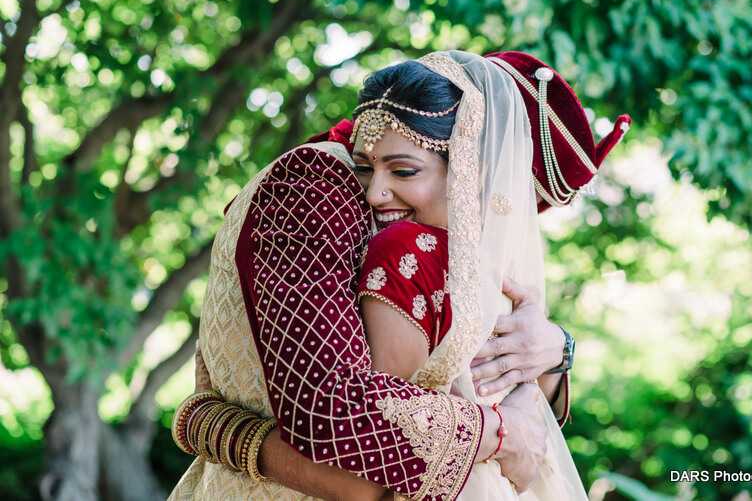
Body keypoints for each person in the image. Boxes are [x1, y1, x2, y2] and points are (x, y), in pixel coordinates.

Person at [169, 50, 629, 500]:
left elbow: (517, 404)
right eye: (368, 166)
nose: (375, 192)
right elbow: (339, 424)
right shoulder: (317, 187)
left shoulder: (449, 255)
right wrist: (502, 433)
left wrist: (556, 350)